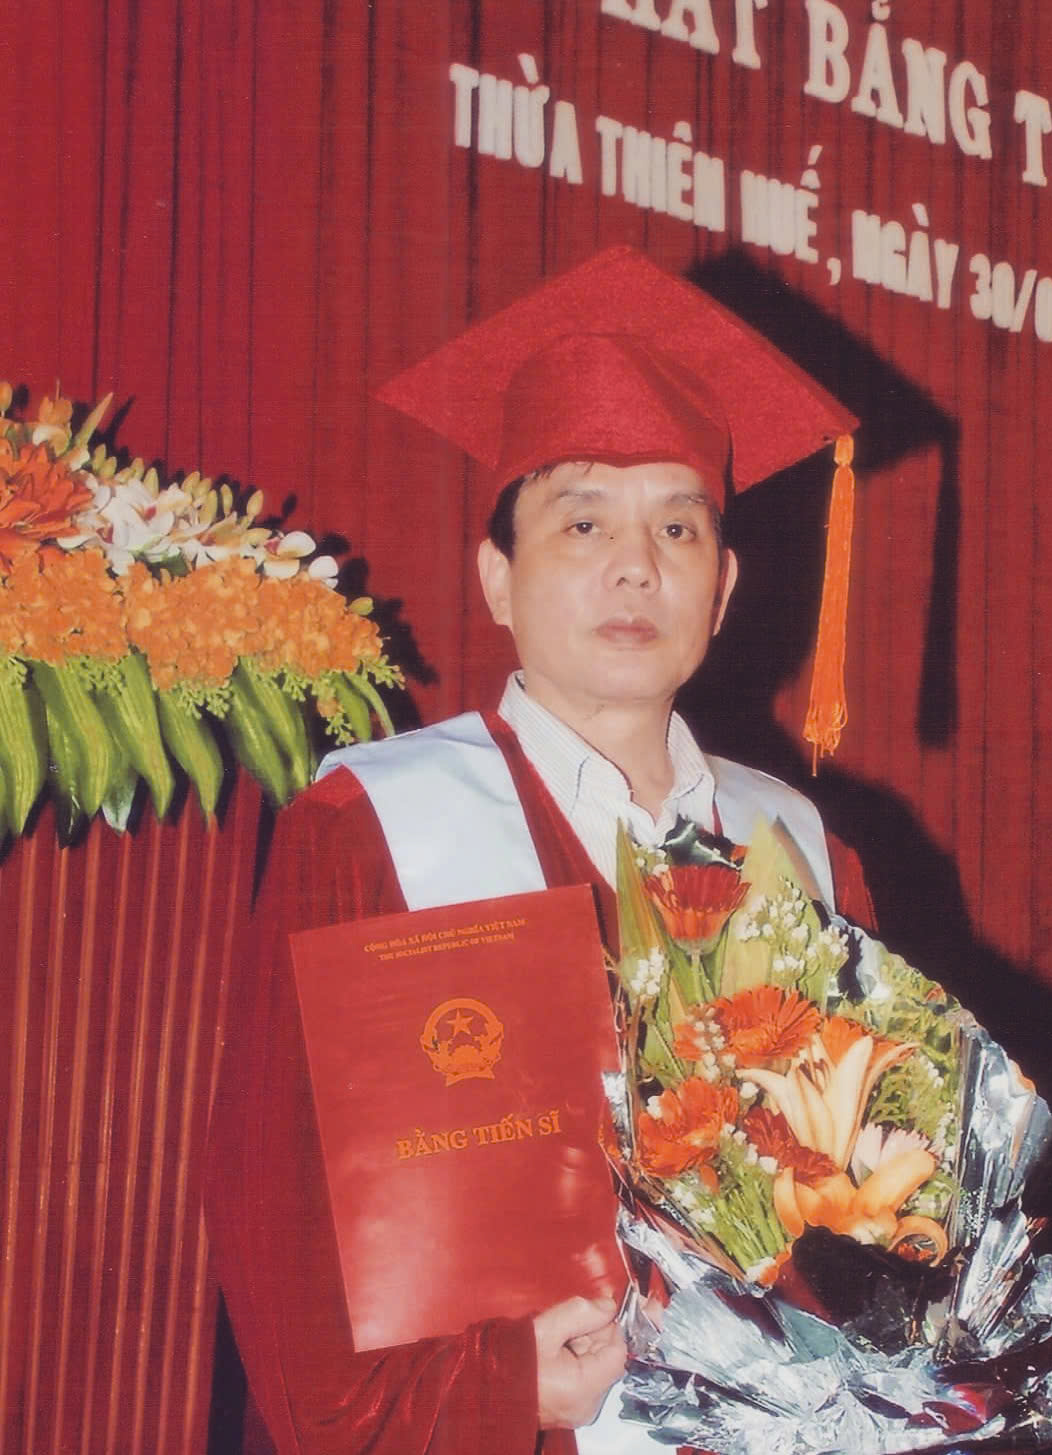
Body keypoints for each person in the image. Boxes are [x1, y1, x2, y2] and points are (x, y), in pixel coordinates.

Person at [204, 246, 875, 1455]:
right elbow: (282, 1230)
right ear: (497, 579)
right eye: (583, 521)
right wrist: (500, 1389)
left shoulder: (803, 851)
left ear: (722, 588)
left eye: (679, 526)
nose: (637, 564)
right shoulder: (378, 827)